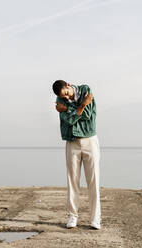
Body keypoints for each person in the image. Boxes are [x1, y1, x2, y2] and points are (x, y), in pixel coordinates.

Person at [52, 80, 101, 229]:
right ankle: (72, 217)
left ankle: (95, 219)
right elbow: (70, 119)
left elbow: (87, 114)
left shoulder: (86, 89)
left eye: (66, 93)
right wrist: (81, 105)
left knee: (93, 181)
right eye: (63, 97)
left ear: (68, 85)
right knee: (72, 181)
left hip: (90, 140)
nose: (65, 98)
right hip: (72, 142)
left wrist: (69, 109)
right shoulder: (60, 99)